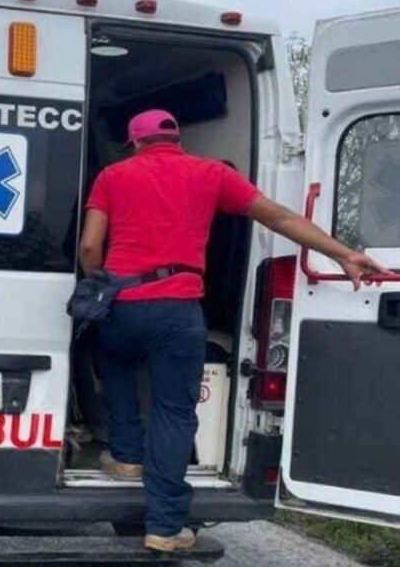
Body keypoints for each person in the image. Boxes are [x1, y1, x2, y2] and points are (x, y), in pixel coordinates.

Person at [78, 109, 387, 552]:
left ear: (134, 142)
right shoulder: (211, 174)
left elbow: (91, 245)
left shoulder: (112, 176)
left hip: (123, 304)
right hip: (177, 310)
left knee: (112, 358)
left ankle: (126, 455)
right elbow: (279, 218)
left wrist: (100, 282)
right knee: (173, 412)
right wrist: (342, 254)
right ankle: (164, 526)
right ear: (178, 139)